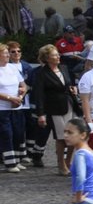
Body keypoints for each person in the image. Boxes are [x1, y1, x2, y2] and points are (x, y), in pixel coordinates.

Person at [30, 45, 74, 176]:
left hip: (69, 105)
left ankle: (68, 161)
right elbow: (39, 95)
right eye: (55, 55)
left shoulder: (64, 68)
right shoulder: (41, 73)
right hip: (54, 108)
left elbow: (68, 84)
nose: (58, 56)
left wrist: (72, 89)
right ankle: (61, 164)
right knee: (61, 137)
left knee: (73, 135)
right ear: (47, 58)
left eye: (58, 54)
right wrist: (41, 114)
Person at [0, 42, 29, 173]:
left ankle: (17, 159)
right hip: (2, 108)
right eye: (5, 53)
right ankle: (9, 163)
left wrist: (21, 95)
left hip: (16, 106)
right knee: (7, 134)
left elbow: (24, 85)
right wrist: (10, 98)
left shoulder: (12, 68)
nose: (7, 55)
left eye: (7, 53)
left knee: (18, 133)